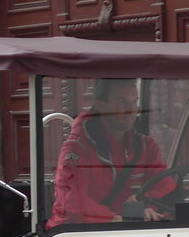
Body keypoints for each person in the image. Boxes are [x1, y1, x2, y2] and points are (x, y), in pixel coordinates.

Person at [46, 78, 173, 228]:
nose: (132, 110)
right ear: (100, 106)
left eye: (134, 101)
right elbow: (73, 202)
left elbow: (165, 187)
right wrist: (116, 219)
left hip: (128, 230)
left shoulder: (147, 146)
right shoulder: (76, 150)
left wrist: (147, 207)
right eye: (122, 102)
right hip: (76, 232)